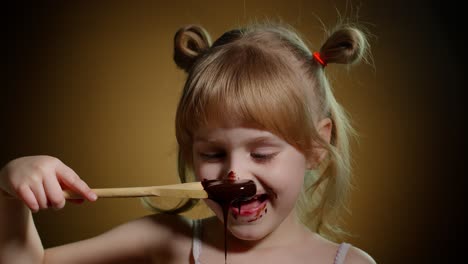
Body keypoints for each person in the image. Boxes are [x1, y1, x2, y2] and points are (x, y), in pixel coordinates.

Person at [0, 20, 376, 263]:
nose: (233, 172)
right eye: (212, 152)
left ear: (315, 147)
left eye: (261, 153)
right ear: (189, 150)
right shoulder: (167, 241)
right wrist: (10, 195)